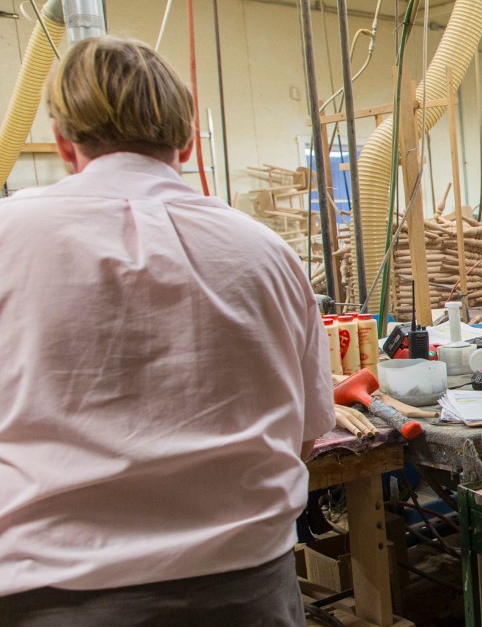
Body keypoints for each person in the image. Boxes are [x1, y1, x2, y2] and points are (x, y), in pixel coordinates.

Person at [0, 36, 334, 625]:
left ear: (61, 143)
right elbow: (305, 435)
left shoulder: (10, 238)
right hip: (250, 593)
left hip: (53, 593)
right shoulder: (266, 252)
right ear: (184, 142)